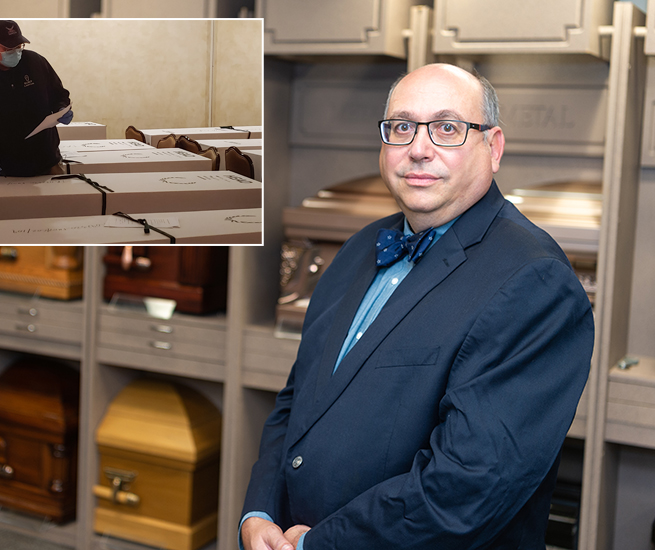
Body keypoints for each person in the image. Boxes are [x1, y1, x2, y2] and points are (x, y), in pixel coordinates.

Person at [240, 63, 594, 550]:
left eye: (447, 128)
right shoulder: (360, 247)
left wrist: (320, 543)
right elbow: (297, 400)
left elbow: (470, 485)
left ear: (493, 149)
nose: (419, 148)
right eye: (401, 127)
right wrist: (258, 512)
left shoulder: (535, 281)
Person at [0, 20, 73, 177]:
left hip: (48, 160)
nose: (16, 52)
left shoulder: (36, 63)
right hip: (6, 167)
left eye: (19, 47)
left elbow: (59, 94)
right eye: (8, 48)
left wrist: (61, 108)